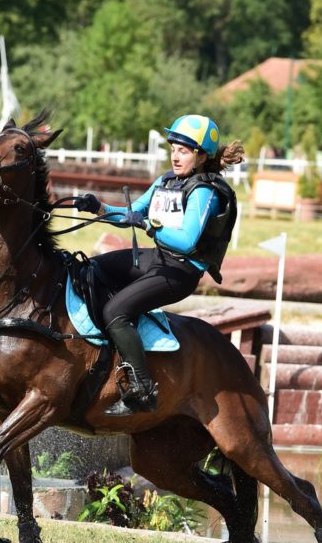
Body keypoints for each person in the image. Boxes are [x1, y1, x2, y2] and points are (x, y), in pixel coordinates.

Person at [74, 115, 244, 415]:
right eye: (174, 149)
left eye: (184, 151)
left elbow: (187, 241)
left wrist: (150, 226)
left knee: (116, 310)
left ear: (201, 156)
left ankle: (142, 388)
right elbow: (131, 213)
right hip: (157, 259)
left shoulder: (205, 191)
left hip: (181, 271)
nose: (175, 156)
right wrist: (99, 207)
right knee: (89, 269)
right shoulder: (166, 181)